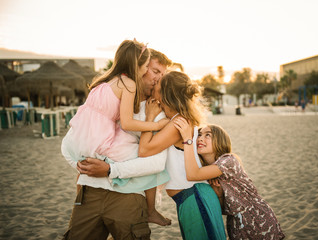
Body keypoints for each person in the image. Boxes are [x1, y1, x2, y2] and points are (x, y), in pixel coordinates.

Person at [62, 46, 173, 240]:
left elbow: (156, 163)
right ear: (139, 66)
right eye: (155, 71)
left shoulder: (158, 111)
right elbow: (69, 143)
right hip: (90, 193)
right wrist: (81, 166)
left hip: (129, 198)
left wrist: (110, 170)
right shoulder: (111, 95)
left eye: (162, 75)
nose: (158, 78)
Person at [138, 71, 227, 240]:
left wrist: (149, 117)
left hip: (194, 198)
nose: (154, 83)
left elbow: (144, 150)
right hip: (192, 197)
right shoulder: (181, 119)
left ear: (166, 93)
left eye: (158, 83)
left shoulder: (178, 123)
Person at [173, 120, 286, 240]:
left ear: (220, 141)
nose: (200, 138)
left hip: (257, 220)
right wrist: (220, 195)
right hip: (236, 224)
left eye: (208, 135)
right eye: (199, 135)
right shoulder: (207, 171)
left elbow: (192, 174)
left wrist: (187, 140)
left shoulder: (228, 160)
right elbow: (225, 210)